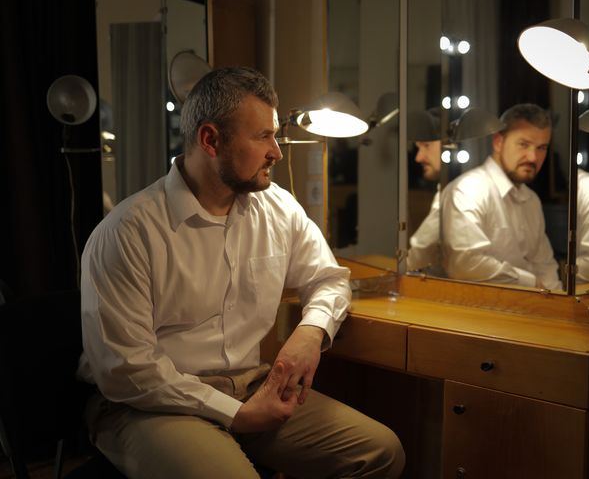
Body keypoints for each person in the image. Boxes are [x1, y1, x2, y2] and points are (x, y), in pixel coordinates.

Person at [77, 67, 405, 479]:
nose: (278, 152)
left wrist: (310, 333)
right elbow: (125, 371)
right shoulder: (129, 232)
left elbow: (328, 279)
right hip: (147, 405)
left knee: (380, 452)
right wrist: (236, 414)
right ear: (210, 140)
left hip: (250, 385)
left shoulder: (277, 207)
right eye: (263, 136)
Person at [440, 103, 562, 290]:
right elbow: (465, 264)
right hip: (477, 310)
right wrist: (532, 283)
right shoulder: (467, 190)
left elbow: (544, 264)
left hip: (530, 308)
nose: (532, 157)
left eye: (541, 148)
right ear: (498, 142)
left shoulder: (531, 200)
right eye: (524, 144)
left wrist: (558, 302)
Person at [406, 109, 442, 273]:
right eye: (418, 148)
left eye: (426, 145)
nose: (418, 157)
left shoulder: (456, 192)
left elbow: (421, 252)